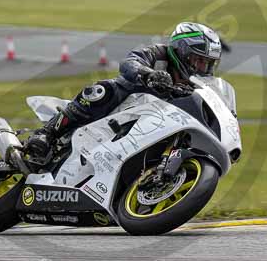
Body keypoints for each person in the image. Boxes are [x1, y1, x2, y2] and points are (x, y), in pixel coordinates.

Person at [25, 22, 223, 165]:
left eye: (208, 64)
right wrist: (149, 74)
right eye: (199, 60)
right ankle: (46, 133)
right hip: (125, 103)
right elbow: (130, 62)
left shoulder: (196, 86)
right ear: (181, 51)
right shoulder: (158, 53)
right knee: (101, 91)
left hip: (149, 124)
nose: (202, 68)